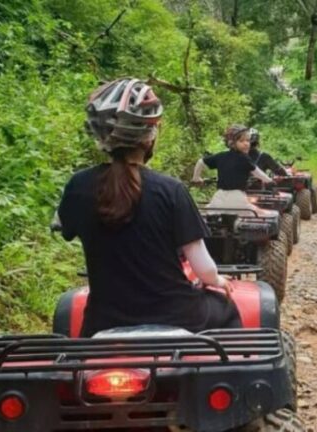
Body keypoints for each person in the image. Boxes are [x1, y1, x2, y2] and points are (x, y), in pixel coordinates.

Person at [57, 78, 240, 337]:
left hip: (103, 321)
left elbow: (64, 226)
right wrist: (218, 281)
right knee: (228, 308)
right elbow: (202, 266)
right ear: (150, 135)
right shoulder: (170, 190)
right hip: (179, 316)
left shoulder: (78, 186)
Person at [191, 124, 274, 210]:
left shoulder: (220, 156)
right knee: (261, 214)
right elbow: (257, 173)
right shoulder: (245, 159)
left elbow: (201, 162)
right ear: (232, 142)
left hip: (219, 198)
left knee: (208, 213)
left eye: (248, 141)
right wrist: (269, 181)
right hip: (238, 199)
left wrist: (196, 178)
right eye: (242, 141)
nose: (246, 144)